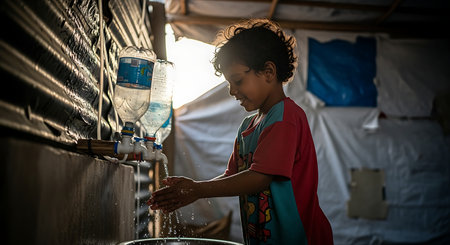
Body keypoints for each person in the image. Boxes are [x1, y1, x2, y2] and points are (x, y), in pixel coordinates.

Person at [148, 19, 333, 245]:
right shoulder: (248, 126)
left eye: (237, 80)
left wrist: (198, 190)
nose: (232, 91)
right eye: (228, 83)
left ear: (268, 72)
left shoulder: (286, 118)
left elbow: (259, 178)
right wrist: (192, 190)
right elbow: (233, 177)